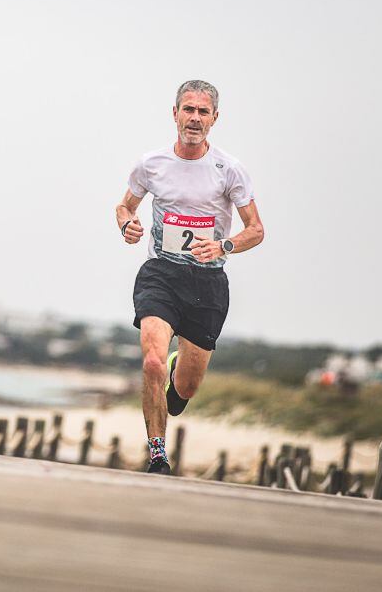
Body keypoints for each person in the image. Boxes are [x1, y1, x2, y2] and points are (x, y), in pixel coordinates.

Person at [115, 80, 265, 474]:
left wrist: (223, 246)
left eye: (203, 111)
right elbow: (124, 206)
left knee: (185, 389)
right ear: (175, 113)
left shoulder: (229, 170)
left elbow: (256, 230)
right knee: (151, 361)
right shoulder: (151, 164)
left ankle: (179, 373)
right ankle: (157, 454)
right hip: (160, 274)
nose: (194, 118)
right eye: (188, 109)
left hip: (207, 284)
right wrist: (128, 224)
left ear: (214, 119)